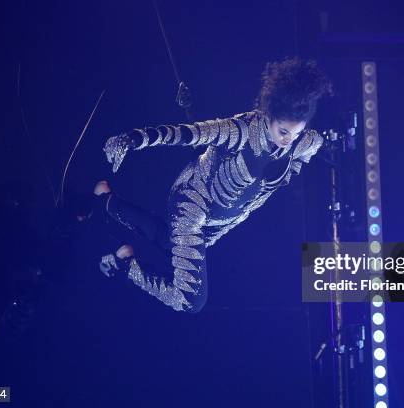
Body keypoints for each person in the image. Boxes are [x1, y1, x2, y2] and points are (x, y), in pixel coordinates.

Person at [95, 57, 332, 313]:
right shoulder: (243, 130)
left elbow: (307, 152)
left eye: (296, 133)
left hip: (220, 222)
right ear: (270, 114)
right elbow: (188, 133)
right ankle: (126, 263)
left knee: (168, 241)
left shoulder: (303, 142)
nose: (288, 140)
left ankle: (106, 200)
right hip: (193, 203)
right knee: (189, 300)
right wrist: (132, 140)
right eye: (284, 131)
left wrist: (290, 170)